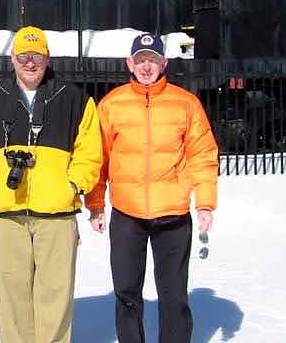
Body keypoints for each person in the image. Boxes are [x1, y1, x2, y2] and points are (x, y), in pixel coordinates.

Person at [0, 26, 103, 343]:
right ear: (12, 59)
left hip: (57, 215)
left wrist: (72, 185)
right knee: (12, 299)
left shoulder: (75, 100)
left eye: (37, 57)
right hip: (8, 215)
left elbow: (90, 152)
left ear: (47, 58)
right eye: (24, 56)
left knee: (56, 298)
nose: (30, 63)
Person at [86, 32, 219, 343]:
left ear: (164, 63)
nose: (147, 66)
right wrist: (96, 204)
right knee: (127, 293)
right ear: (130, 63)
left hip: (173, 216)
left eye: (153, 60)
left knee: (174, 295)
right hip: (127, 214)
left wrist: (205, 203)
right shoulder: (111, 104)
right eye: (141, 60)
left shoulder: (186, 104)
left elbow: (202, 155)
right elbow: (97, 157)